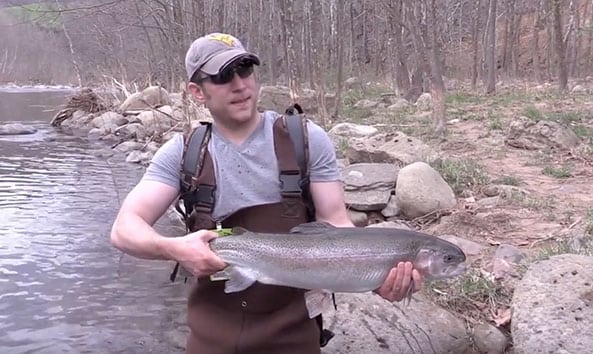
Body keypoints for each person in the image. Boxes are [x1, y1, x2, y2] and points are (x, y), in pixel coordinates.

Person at [110, 32, 423, 354]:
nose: (239, 84)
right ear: (196, 92)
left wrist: (377, 274)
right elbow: (124, 229)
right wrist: (173, 248)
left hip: (294, 335)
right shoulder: (185, 153)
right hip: (210, 337)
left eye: (244, 69)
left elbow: (336, 224)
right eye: (222, 76)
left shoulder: (306, 141)